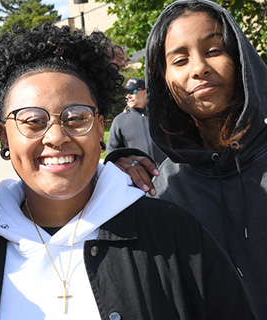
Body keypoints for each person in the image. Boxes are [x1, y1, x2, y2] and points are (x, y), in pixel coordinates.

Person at [0, 23, 253, 319]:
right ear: (5, 135)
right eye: (33, 120)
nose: (56, 136)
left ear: (100, 127)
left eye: (76, 117)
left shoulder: (174, 234)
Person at [106, 0, 267, 318]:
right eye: (179, 60)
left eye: (213, 51)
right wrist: (111, 178)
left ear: (240, 59)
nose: (198, 68)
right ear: (162, 80)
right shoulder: (162, 191)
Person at [107, 78, 166, 166]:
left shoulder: (162, 115)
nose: (128, 96)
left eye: (133, 92)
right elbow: (113, 153)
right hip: (139, 177)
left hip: (167, 175)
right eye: (126, 93)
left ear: (145, 92)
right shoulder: (119, 121)